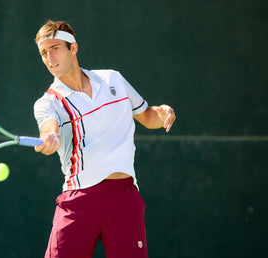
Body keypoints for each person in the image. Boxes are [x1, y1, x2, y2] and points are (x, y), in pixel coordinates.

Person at [32, 20, 176, 258]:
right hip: (78, 201)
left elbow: (149, 117)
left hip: (123, 197)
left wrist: (163, 113)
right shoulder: (48, 102)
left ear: (73, 48)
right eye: (44, 53)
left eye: (55, 48)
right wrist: (49, 137)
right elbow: (49, 128)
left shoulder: (113, 80)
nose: (49, 57)